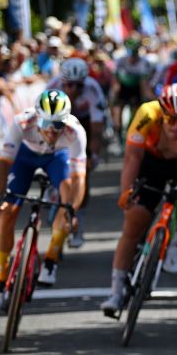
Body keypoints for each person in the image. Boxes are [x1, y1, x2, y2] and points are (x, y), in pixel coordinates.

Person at [100, 84, 177, 315]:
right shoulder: (146, 114)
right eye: (170, 119)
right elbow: (132, 157)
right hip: (152, 162)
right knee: (134, 224)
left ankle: (176, 243)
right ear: (161, 113)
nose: (175, 126)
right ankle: (115, 292)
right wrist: (126, 192)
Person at [0, 90, 86, 310]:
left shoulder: (75, 131)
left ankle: (50, 260)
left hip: (57, 157)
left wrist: (72, 209)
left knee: (67, 196)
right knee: (7, 212)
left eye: (57, 124)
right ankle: (0, 281)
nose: (51, 130)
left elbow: (79, 178)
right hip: (25, 156)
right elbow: (4, 164)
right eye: (46, 122)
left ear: (66, 121)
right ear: (37, 117)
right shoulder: (22, 122)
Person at [46, 57, 106, 248]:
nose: (72, 90)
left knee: (83, 173)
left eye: (78, 86)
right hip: (58, 120)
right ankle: (51, 186)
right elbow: (41, 123)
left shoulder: (92, 89)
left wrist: (93, 155)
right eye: (69, 85)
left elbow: (97, 129)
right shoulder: (52, 87)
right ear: (62, 82)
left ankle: (77, 222)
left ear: (84, 82)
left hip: (84, 124)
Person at [111, 37, 153, 144]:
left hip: (136, 88)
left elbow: (144, 83)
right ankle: (118, 133)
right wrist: (114, 96)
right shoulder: (120, 60)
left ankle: (132, 132)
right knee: (117, 109)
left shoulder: (144, 62)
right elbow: (115, 81)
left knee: (136, 111)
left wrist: (145, 99)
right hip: (123, 87)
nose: (133, 57)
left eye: (135, 53)